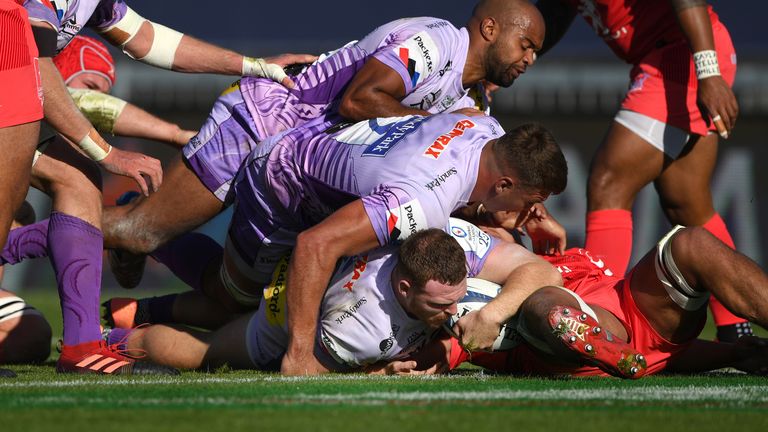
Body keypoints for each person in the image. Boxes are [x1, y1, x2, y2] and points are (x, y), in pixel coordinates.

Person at [101, 0, 545, 289]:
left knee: (240, 294)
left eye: (536, 53)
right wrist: (437, 126)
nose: (529, 60)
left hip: (294, 170)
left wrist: (524, 209)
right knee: (136, 231)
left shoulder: (474, 105)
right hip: (260, 123)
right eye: (525, 45)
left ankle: (140, 243)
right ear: (489, 28)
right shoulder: (434, 42)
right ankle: (43, 207)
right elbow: (359, 100)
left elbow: (459, 177)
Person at [534, 0, 750, 341]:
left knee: (609, 181)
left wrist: (708, 71)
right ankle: (736, 328)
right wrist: (517, 54)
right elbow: (557, 12)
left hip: (686, 55)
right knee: (686, 201)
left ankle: (601, 319)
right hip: (667, 58)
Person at [105, 220, 562, 373]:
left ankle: (140, 308)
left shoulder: (445, 238)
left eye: (457, 299)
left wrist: (494, 313)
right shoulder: (362, 329)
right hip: (287, 315)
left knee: (225, 296)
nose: (452, 311)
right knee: (204, 353)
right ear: (403, 288)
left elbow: (542, 270)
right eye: (441, 306)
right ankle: (109, 342)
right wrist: (377, 373)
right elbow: (310, 367)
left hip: (310, 260)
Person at [441, 226, 768, 378]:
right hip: (557, 339)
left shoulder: (537, 252)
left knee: (690, 243)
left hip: (633, 316)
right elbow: (452, 336)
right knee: (543, 299)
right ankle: (575, 329)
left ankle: (597, 341)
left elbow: (661, 355)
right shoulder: (466, 285)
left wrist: (733, 353)